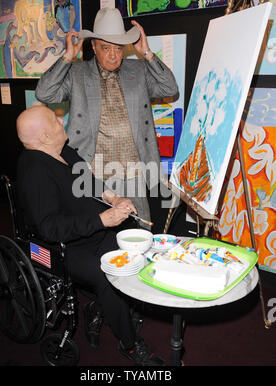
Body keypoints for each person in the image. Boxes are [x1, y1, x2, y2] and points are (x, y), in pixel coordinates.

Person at [16, 105, 165, 366]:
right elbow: (50, 229)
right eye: (54, 120)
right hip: (62, 249)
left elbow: (88, 180)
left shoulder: (62, 150)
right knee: (110, 274)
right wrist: (102, 219)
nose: (61, 119)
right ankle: (130, 345)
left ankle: (98, 307)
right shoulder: (35, 172)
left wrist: (113, 198)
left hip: (92, 231)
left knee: (136, 245)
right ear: (44, 137)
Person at [35, 7, 179, 230]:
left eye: (118, 48)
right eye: (105, 48)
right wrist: (67, 57)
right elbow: (44, 93)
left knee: (139, 232)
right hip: (94, 174)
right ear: (93, 46)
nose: (113, 55)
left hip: (133, 171)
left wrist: (147, 53)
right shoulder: (77, 73)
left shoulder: (138, 70)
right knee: (102, 235)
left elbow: (170, 87)